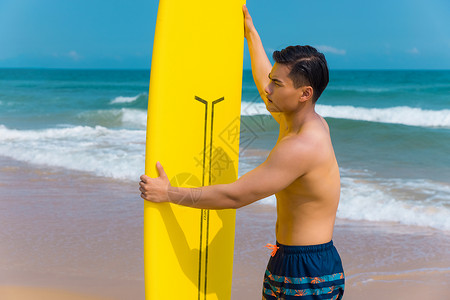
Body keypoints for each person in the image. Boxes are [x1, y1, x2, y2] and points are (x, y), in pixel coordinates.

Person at [139, 5, 344, 300]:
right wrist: (250, 34)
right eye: (272, 80)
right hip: (286, 257)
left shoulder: (302, 146)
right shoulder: (297, 120)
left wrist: (169, 193)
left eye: (277, 84)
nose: (268, 90)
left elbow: (236, 196)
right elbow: (264, 82)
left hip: (308, 270)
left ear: (304, 94)